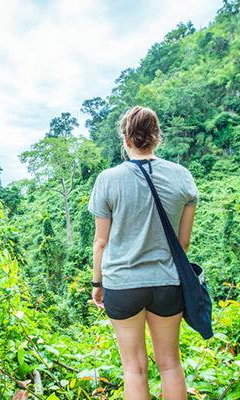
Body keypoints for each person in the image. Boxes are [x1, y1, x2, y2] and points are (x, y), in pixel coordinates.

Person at [88, 106, 198, 400]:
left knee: (133, 369)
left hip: (122, 285)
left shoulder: (108, 179)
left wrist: (97, 285)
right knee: (170, 364)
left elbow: (101, 242)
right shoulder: (182, 177)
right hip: (166, 282)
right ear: (157, 138)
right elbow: (183, 244)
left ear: (125, 140)